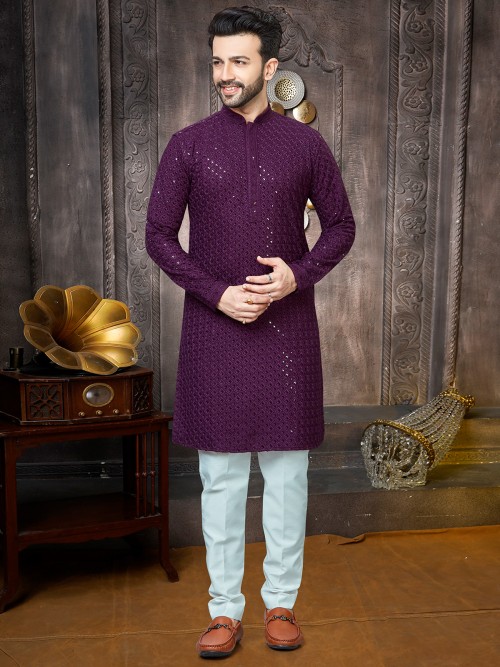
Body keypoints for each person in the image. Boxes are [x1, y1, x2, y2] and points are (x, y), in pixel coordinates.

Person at [146, 5, 355, 659]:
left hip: (287, 331)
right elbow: (158, 235)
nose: (225, 74)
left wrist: (297, 276)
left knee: (287, 476)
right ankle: (224, 611)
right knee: (221, 478)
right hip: (214, 333)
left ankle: (281, 603)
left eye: (238, 61)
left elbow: (342, 226)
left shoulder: (305, 145)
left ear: (269, 67)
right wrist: (216, 293)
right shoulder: (187, 144)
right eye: (217, 62)